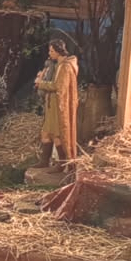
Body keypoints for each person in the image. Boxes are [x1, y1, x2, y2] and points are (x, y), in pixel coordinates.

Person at [34, 38, 79, 168]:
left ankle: (62, 164)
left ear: (59, 51)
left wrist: (41, 84)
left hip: (58, 106)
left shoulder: (65, 67)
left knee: (57, 136)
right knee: (45, 133)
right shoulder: (57, 65)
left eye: (52, 51)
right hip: (51, 104)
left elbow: (59, 86)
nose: (50, 53)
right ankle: (44, 161)